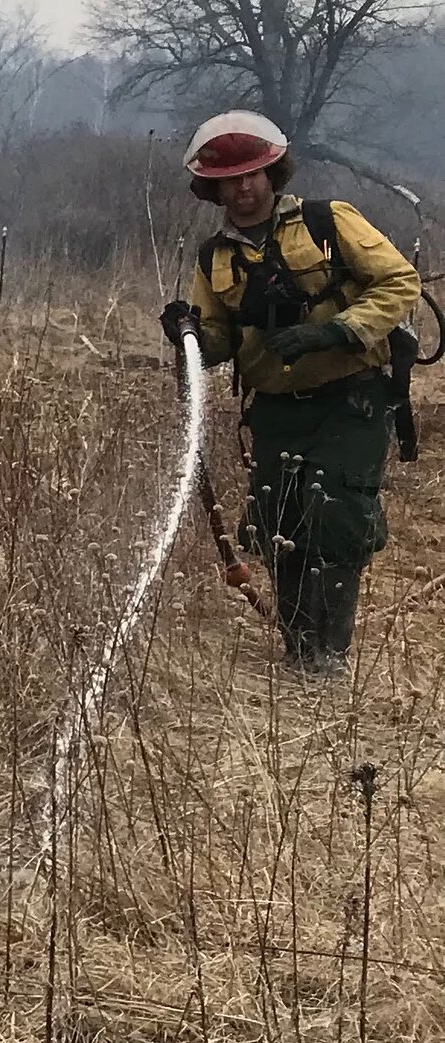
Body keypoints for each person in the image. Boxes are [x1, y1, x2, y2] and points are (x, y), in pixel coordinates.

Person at [159, 110, 420, 675]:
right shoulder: (215, 258)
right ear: (214, 188)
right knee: (281, 526)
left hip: (351, 400)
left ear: (274, 173)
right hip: (275, 411)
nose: (243, 187)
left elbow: (400, 281)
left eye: (253, 174)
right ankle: (300, 651)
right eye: (230, 179)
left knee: (338, 520)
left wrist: (336, 330)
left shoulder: (329, 222)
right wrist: (186, 333)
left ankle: (331, 658)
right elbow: (218, 342)